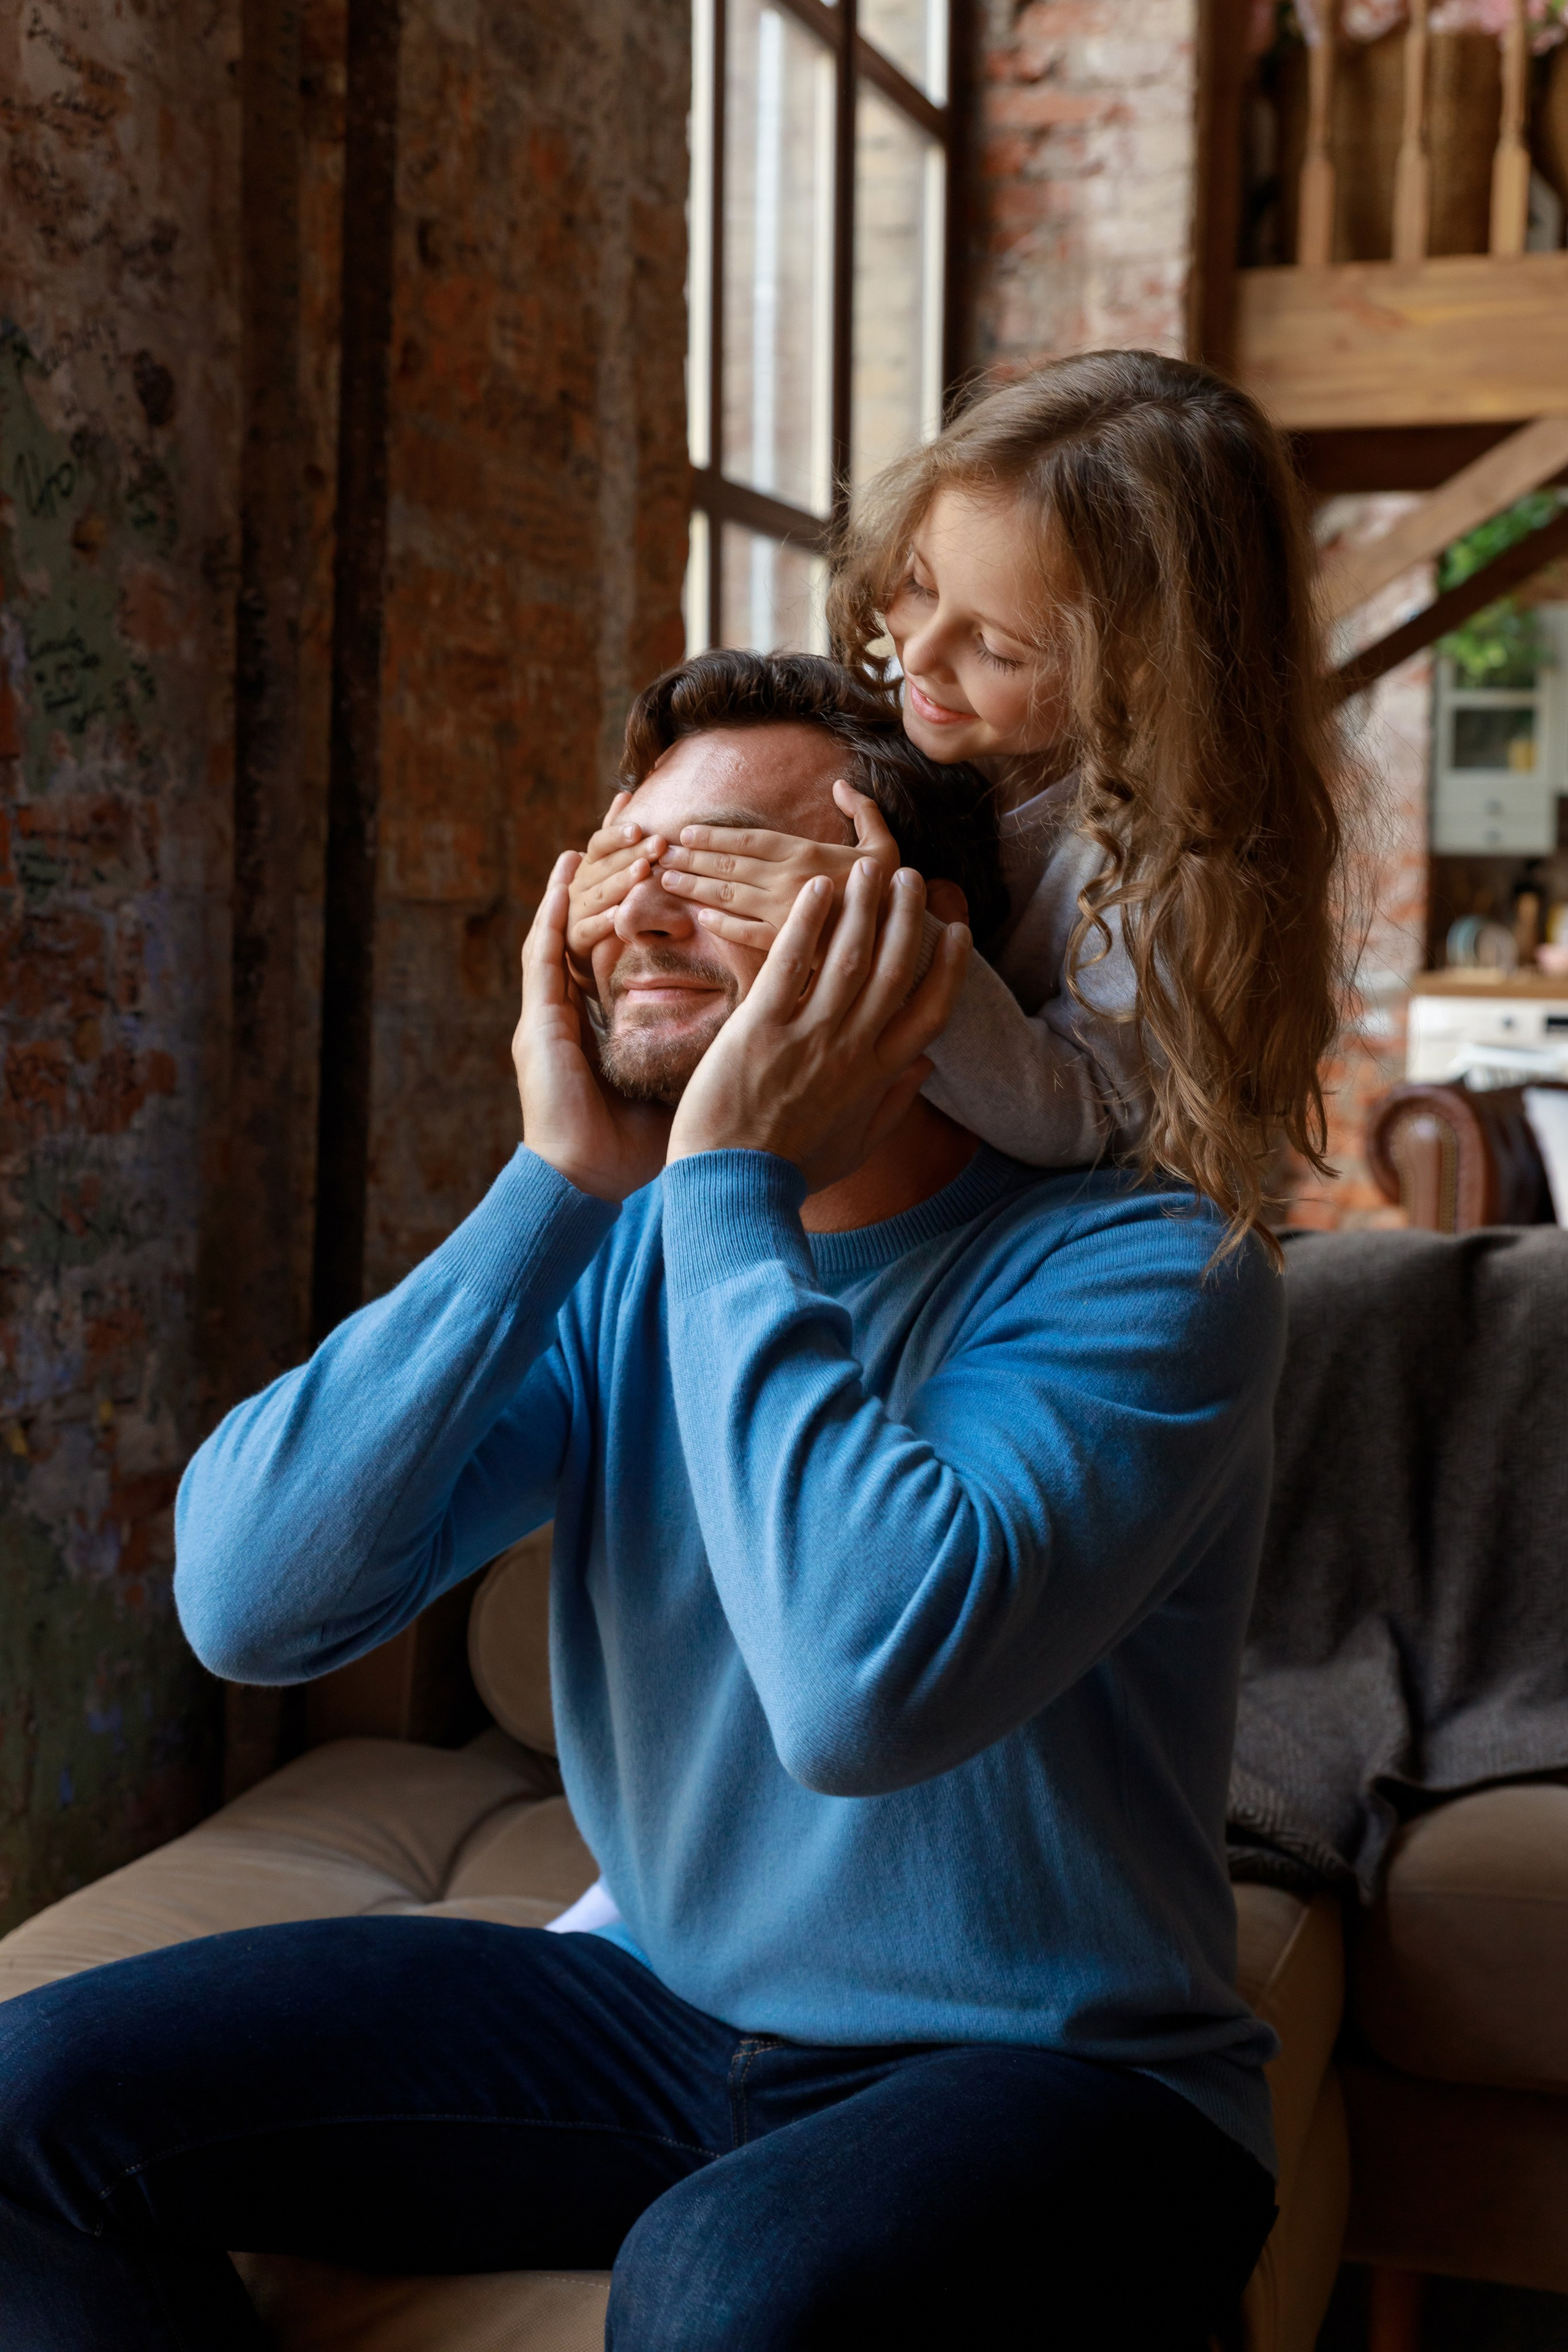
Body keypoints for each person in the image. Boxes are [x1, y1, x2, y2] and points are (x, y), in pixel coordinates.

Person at [0, 654, 1280, 2352]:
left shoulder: (1149, 1269)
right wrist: (556, 1188)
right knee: (28, 2111)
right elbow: (249, 1600)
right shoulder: (615, 1259)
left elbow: (862, 1688)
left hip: (1066, 2082)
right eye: (619, 865)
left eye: (734, 865)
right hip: (669, 2021)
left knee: (723, 2290)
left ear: (919, 940)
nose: (641, 917)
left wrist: (732, 1184)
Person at [568, 350, 1345, 1254]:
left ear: (1145, 676)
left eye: (1000, 649)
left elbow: (1081, 1112)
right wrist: (612, 898)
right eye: (918, 586)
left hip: (1030, 1250)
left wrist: (882, 940)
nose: (921, 656)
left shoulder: (1167, 865)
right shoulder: (933, 719)